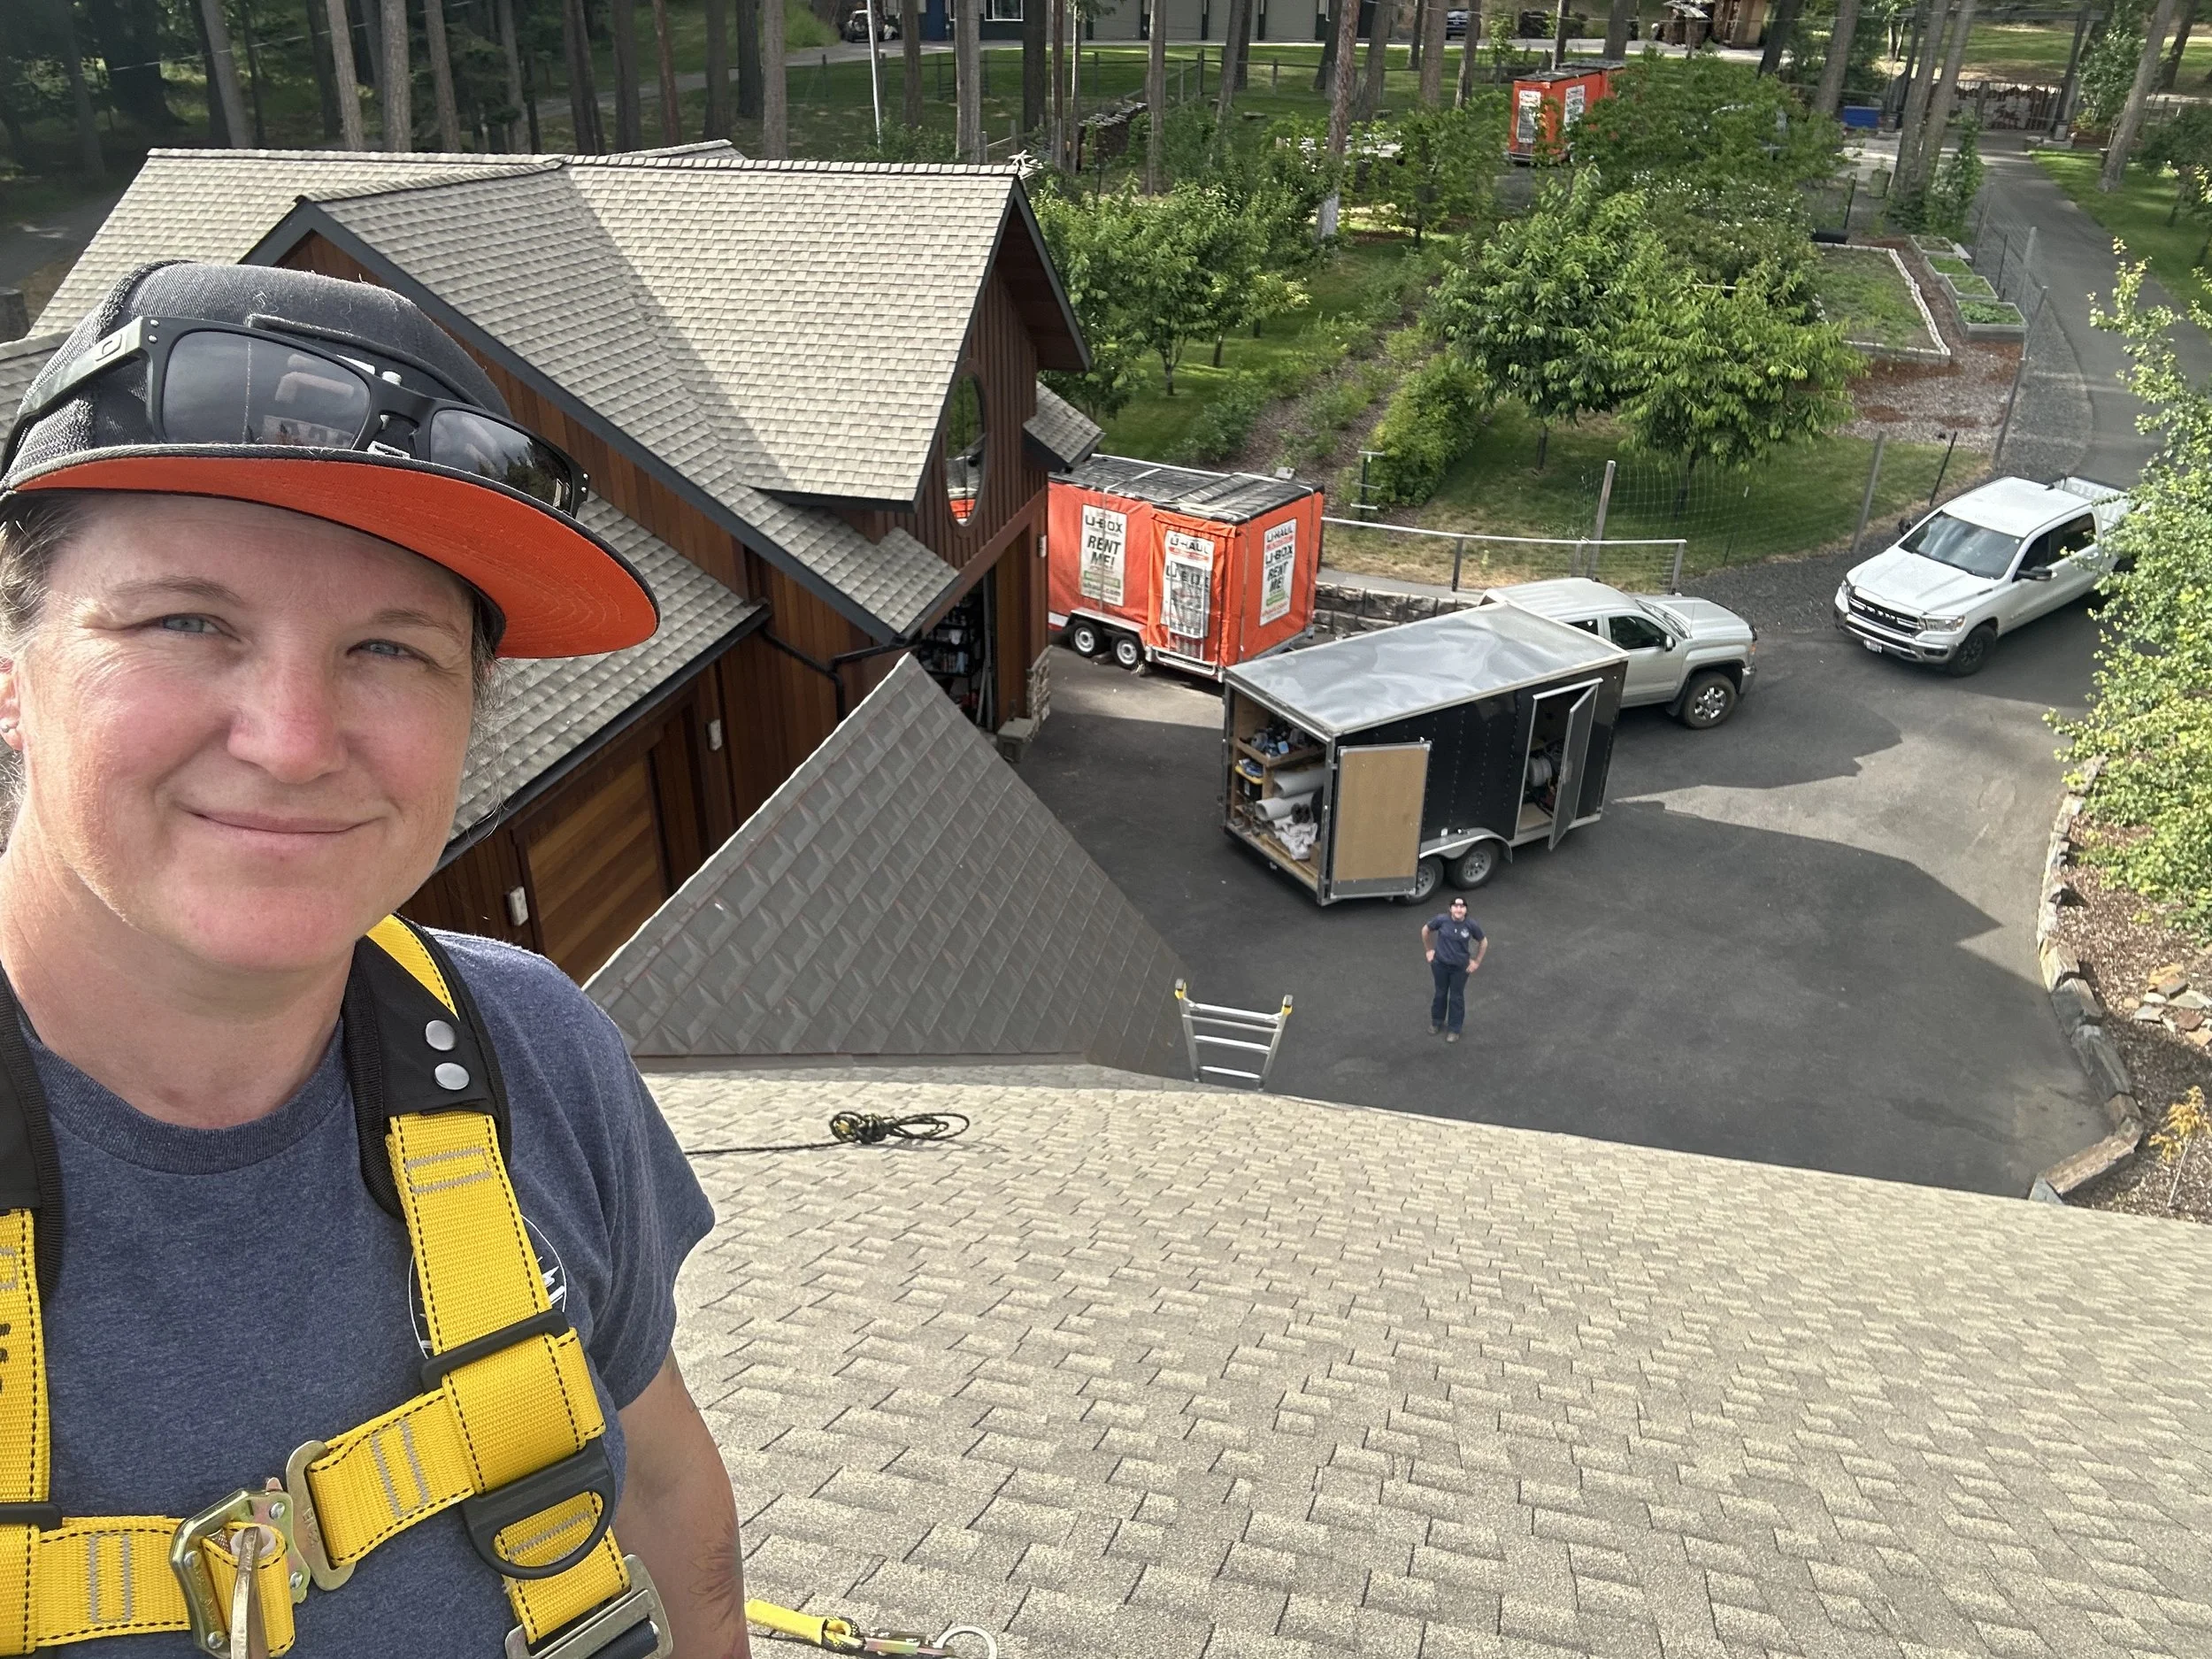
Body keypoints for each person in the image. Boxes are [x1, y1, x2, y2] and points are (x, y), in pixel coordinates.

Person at [0, 260, 747, 1658]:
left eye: (389, 648)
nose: (292, 739)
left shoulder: (531, 1050)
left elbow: (659, 1478)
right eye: (186, 620)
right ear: (13, 671)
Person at [1422, 895, 1486, 1041]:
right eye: (1456, 906)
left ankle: (1454, 1029)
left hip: (1460, 969)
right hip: (1440, 965)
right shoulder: (1441, 920)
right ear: (1450, 909)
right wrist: (1429, 950)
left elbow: (1483, 942)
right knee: (1440, 994)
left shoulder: (1471, 925)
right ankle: (1436, 1022)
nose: (1459, 909)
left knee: (1456, 997)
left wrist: (1476, 962)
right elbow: (1425, 930)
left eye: (1462, 906)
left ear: (1466, 910)